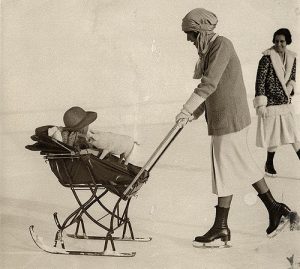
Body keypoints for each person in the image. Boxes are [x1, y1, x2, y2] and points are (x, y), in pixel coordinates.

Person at [175, 8, 297, 247]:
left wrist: (187, 109)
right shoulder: (211, 49)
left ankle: (268, 212)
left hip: (230, 118)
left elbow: (209, 84)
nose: (188, 39)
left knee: (230, 168)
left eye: (190, 33)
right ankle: (260, 214)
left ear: (200, 30)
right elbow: (214, 88)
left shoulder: (222, 45)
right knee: (231, 168)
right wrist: (195, 113)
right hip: (224, 117)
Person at [253, 28, 299, 177]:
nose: (279, 44)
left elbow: (292, 77)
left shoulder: (292, 58)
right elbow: (259, 82)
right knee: (273, 137)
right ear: (274, 41)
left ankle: (268, 164)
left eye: (282, 41)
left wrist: (290, 87)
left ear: (287, 42)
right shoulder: (266, 58)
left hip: (285, 103)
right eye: (277, 41)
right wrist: (261, 104)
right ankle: (269, 164)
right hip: (271, 104)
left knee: (294, 136)